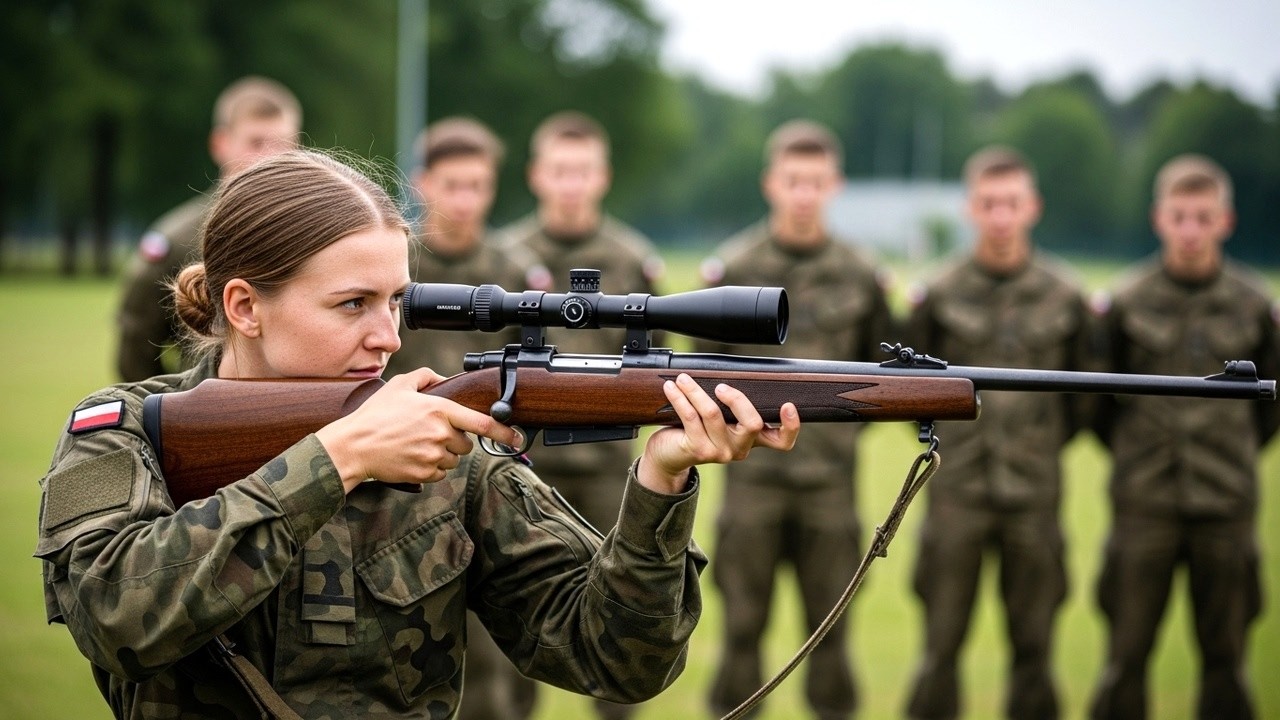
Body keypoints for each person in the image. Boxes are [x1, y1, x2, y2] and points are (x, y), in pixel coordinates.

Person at [34, 149, 800, 719]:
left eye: (397, 301)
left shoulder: (450, 451)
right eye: (351, 305)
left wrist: (660, 482)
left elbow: (618, 660)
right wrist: (340, 458)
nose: (387, 338)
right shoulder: (125, 433)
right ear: (244, 306)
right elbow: (117, 619)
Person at [698, 120, 894, 720]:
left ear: (834, 185)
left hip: (829, 488)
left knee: (829, 639)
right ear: (771, 184)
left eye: (815, 181)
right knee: (741, 634)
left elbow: (885, 378)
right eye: (793, 181)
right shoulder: (734, 267)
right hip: (751, 484)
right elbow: (699, 376)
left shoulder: (862, 274)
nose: (804, 193)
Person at [1088, 154, 1279, 720]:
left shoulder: (1255, 305)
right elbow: (1097, 402)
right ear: (1159, 219)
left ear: (1225, 221)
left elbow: (1270, 406)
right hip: (1143, 504)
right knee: (1125, 659)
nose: (1191, 230)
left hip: (1226, 504)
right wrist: (1136, 456)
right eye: (1179, 216)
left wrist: (1232, 454)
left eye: (1203, 216)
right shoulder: (1125, 302)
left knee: (1226, 663)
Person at [902, 146, 1090, 720]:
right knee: (940, 650)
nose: (1001, 216)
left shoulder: (1067, 296)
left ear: (1031, 206)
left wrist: (1039, 446)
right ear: (971, 208)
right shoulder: (938, 293)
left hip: (1035, 496)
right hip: (956, 496)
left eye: (1011, 203)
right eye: (989, 203)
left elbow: (1085, 402)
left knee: (1035, 652)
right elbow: (910, 393)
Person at [495, 111, 666, 720]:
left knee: (619, 612)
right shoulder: (508, 259)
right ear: (537, 175)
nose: (572, 184)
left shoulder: (633, 259)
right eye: (561, 170)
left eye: (583, 171)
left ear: (604, 177)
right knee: (513, 620)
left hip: (605, 469)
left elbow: (656, 371)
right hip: (520, 468)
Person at [383, 117, 537, 720]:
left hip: (483, 485)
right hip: (394, 484)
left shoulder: (518, 271)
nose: (466, 199)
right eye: (453, 184)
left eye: (478, 185)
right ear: (422, 184)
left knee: (492, 669)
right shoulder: (392, 263)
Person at [114, 75, 301, 381]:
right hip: (203, 411)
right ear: (220, 144)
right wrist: (169, 412)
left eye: (283, 144)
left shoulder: (316, 231)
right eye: (256, 143)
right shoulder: (178, 238)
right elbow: (137, 340)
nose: (271, 157)